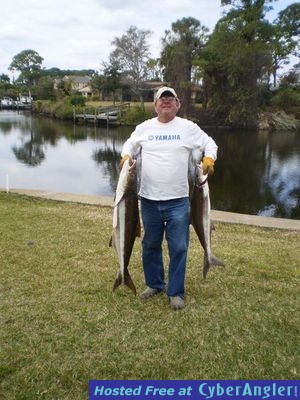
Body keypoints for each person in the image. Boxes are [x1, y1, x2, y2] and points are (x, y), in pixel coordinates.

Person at [120, 87, 218, 310]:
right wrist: (126, 155)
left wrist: (209, 158)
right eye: (161, 99)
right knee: (150, 244)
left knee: (179, 247)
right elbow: (130, 145)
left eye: (170, 99)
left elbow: (210, 143)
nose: (166, 102)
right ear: (155, 105)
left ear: (178, 104)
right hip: (148, 200)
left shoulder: (188, 128)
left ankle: (176, 292)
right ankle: (155, 284)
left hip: (179, 201)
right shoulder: (144, 127)